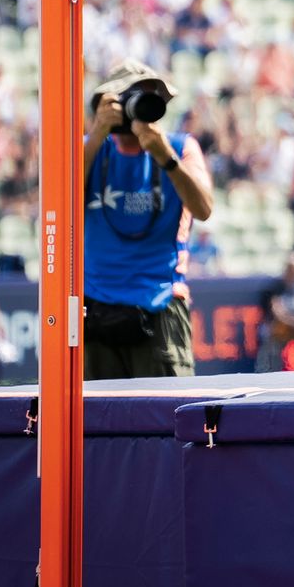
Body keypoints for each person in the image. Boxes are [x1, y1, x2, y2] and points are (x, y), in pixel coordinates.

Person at [82, 60, 214, 379]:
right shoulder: (91, 149)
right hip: (95, 306)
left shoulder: (180, 148)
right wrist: (97, 132)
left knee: (166, 419)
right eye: (128, 98)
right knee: (95, 425)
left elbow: (204, 208)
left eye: (147, 98)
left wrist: (162, 154)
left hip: (161, 306)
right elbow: (58, 201)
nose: (135, 108)